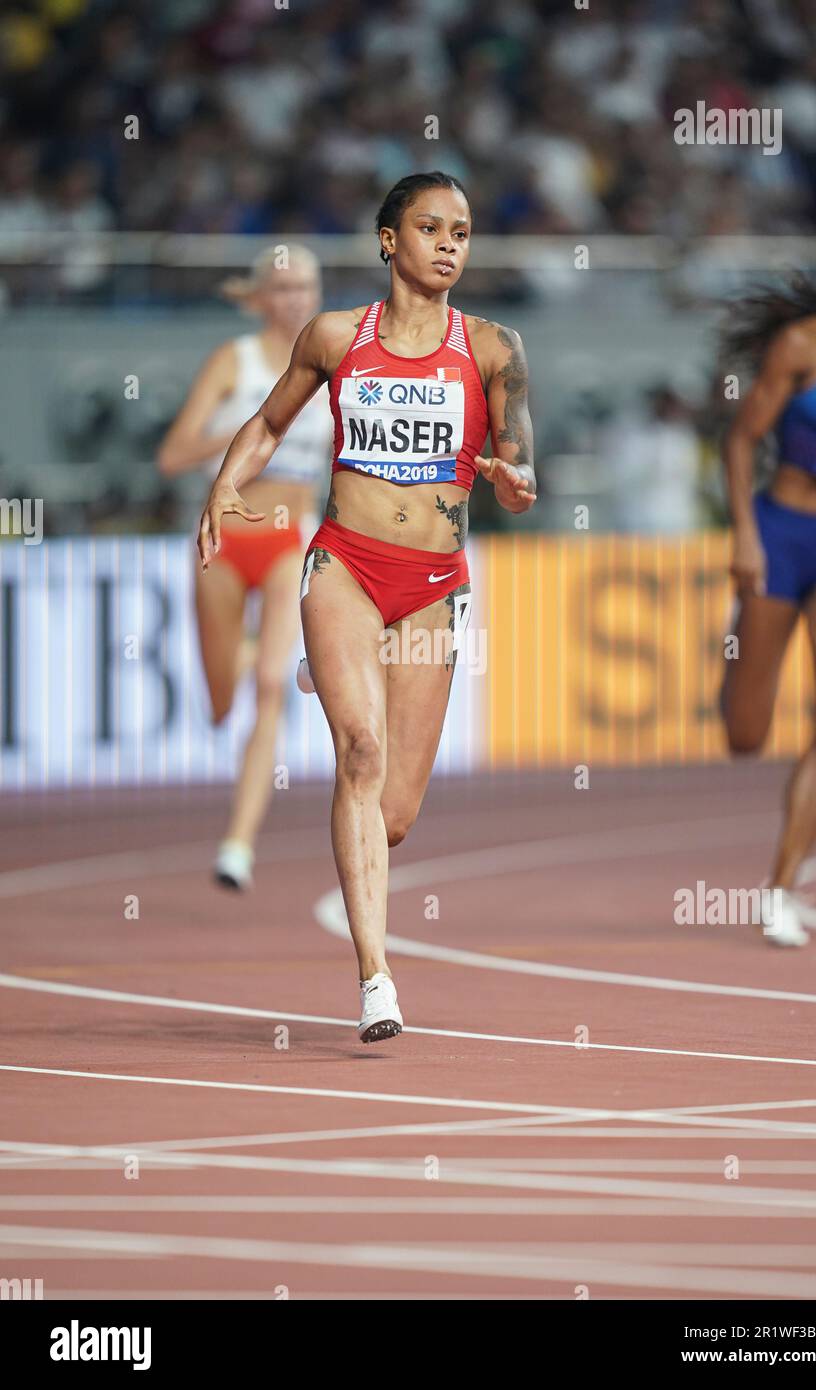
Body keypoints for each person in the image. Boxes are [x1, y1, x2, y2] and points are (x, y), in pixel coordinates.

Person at [198, 171, 537, 1040]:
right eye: (431, 228)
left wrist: (517, 478)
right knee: (359, 751)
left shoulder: (495, 347)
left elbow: (520, 455)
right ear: (390, 240)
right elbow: (271, 422)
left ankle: (333, 675)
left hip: (432, 586)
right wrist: (224, 487)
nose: (451, 244)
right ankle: (375, 978)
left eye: (462, 230)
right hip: (345, 563)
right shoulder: (336, 336)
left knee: (391, 814)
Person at [159, 245, 332, 890]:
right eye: (283, 288)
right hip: (223, 540)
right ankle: (241, 658)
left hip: (292, 540)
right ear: (261, 296)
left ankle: (238, 845)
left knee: (268, 687)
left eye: (306, 287)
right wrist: (244, 428)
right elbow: (173, 456)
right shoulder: (234, 361)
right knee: (222, 699)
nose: (295, 299)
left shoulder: (332, 366)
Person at [721, 218, 816, 946]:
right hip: (782, 533)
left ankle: (782, 887)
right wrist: (745, 534)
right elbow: (742, 438)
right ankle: (737, 645)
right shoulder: (808, 344)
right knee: (745, 732)